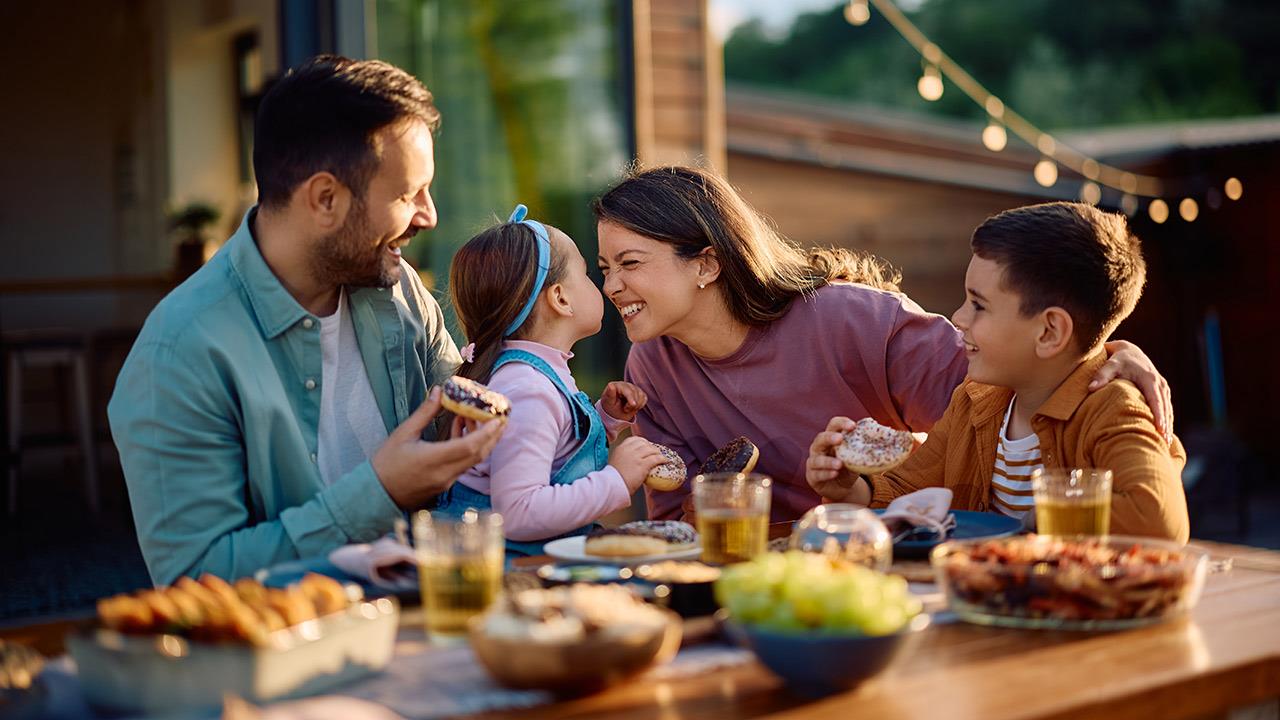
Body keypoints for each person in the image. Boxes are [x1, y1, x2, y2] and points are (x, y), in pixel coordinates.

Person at [108, 56, 503, 585]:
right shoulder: (179, 355)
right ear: (324, 199)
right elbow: (194, 577)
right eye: (409, 194)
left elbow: (461, 428)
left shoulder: (400, 290)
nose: (429, 216)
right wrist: (381, 493)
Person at [593, 165, 1174, 524]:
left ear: (708, 264)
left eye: (630, 263)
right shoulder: (651, 366)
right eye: (603, 267)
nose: (611, 285)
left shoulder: (855, 322)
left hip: (889, 566)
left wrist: (1109, 355)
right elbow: (677, 521)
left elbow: (1009, 383)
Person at [806, 202, 1189, 541]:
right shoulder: (974, 401)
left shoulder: (1113, 407)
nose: (958, 317)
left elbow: (1159, 519)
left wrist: (1029, 523)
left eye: (979, 305)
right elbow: (907, 489)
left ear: (1049, 331)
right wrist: (851, 488)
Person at [434, 206, 665, 556]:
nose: (603, 286)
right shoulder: (528, 389)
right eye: (587, 273)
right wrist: (617, 480)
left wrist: (604, 419)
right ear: (560, 299)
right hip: (508, 571)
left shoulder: (533, 377)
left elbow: (552, 454)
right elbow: (519, 512)